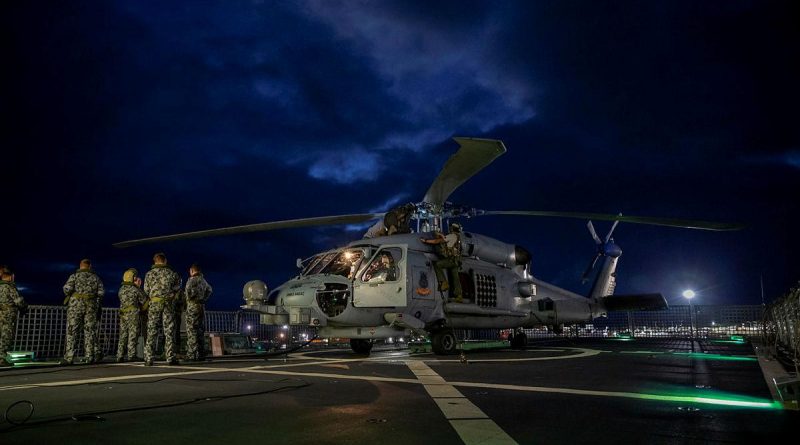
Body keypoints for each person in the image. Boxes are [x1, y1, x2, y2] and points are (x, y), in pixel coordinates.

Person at [61, 259, 105, 365]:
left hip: (75, 307)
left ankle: (69, 357)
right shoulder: (96, 278)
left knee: (72, 331)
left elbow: (66, 289)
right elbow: (101, 293)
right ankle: (90, 356)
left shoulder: (74, 276)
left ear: (80, 266)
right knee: (90, 331)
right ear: (90, 266)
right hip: (91, 307)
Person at [143, 252, 182, 366]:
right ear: (165, 261)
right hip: (167, 303)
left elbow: (146, 289)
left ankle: (149, 358)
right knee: (169, 330)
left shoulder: (149, 274)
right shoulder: (171, 273)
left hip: (154, 303)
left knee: (151, 330)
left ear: (155, 261)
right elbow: (177, 286)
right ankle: (170, 357)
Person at [420, 223, 463, 302]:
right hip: (456, 261)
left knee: (437, 264)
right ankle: (459, 295)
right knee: (455, 278)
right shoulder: (458, 237)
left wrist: (426, 240)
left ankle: (444, 283)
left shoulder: (452, 236)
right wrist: (439, 234)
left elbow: (438, 241)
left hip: (451, 260)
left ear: (452, 229)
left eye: (451, 228)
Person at [116, 268, 146, 362]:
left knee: (123, 334)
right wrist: (138, 287)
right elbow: (144, 300)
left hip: (123, 313)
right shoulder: (134, 289)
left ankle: (119, 355)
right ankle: (131, 355)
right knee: (133, 334)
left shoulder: (121, 289)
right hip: (133, 314)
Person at [184, 263, 212, 362]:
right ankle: (201, 354)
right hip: (201, 306)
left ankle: (191, 354)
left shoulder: (191, 280)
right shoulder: (203, 281)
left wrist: (189, 300)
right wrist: (203, 298)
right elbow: (210, 290)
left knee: (191, 330)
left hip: (192, 306)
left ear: (192, 271)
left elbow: (187, 292)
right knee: (200, 330)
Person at [0, 268, 27, 367]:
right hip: (7, 315)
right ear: (11, 276)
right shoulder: (10, 287)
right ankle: (1, 358)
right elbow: (18, 301)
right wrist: (24, 308)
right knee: (6, 336)